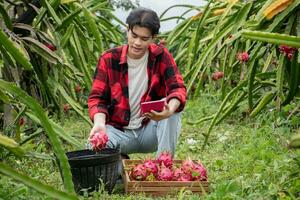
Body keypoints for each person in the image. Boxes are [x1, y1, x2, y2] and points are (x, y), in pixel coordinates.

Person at [87, 7, 187, 158]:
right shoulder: (108, 59)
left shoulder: (161, 56)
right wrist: (99, 123)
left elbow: (177, 88)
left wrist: (169, 110)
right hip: (118, 132)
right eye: (133, 36)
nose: (137, 43)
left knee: (174, 110)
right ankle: (120, 162)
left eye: (144, 39)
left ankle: (163, 166)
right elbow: (97, 99)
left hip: (150, 129)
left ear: (153, 38)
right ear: (127, 30)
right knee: (92, 146)